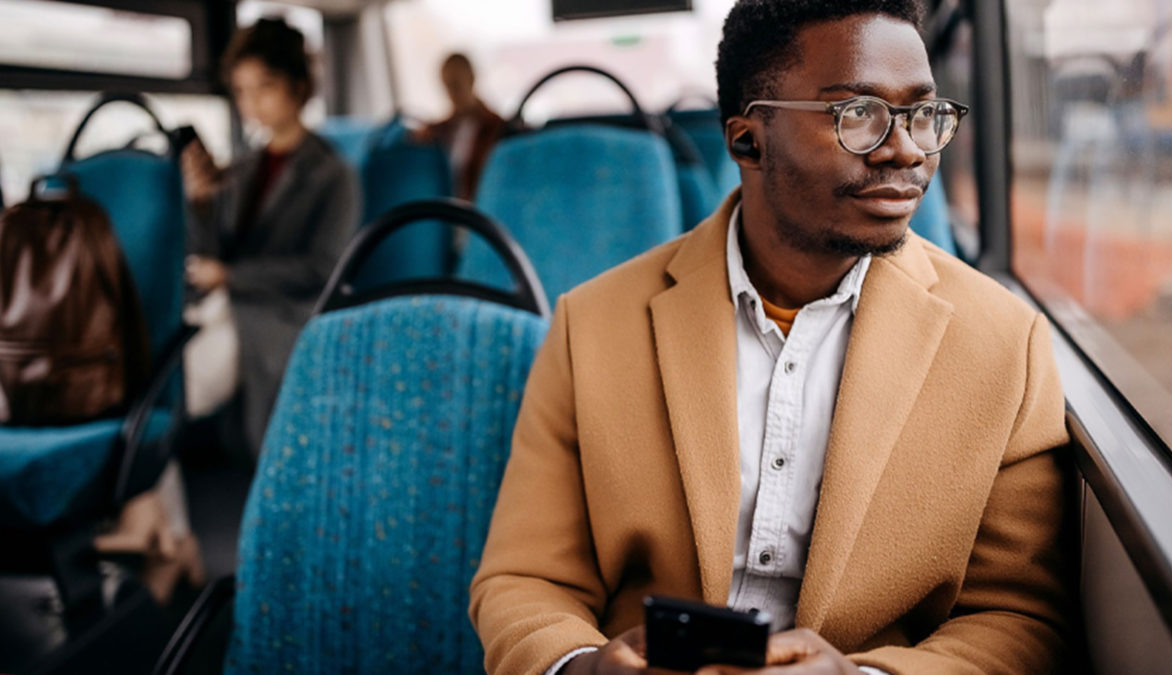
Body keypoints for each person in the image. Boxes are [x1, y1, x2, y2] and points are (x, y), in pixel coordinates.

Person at [469, 2, 1074, 674]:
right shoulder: (593, 324)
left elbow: (1019, 616)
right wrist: (583, 666)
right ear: (746, 140)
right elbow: (526, 579)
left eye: (923, 115)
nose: (906, 148)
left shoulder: (1005, 343)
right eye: (859, 115)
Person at [181, 17, 360, 455]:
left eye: (264, 87)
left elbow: (323, 268)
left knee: (181, 385)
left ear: (298, 87)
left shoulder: (333, 174)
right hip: (232, 304)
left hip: (286, 311)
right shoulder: (240, 169)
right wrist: (200, 206)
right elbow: (213, 252)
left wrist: (230, 276)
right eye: (241, 91)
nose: (251, 103)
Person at [416, 53, 505, 200]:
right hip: (448, 211)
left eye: (456, 84)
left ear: (471, 78)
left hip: (481, 211)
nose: (452, 93)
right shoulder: (438, 131)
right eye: (447, 86)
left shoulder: (498, 128)